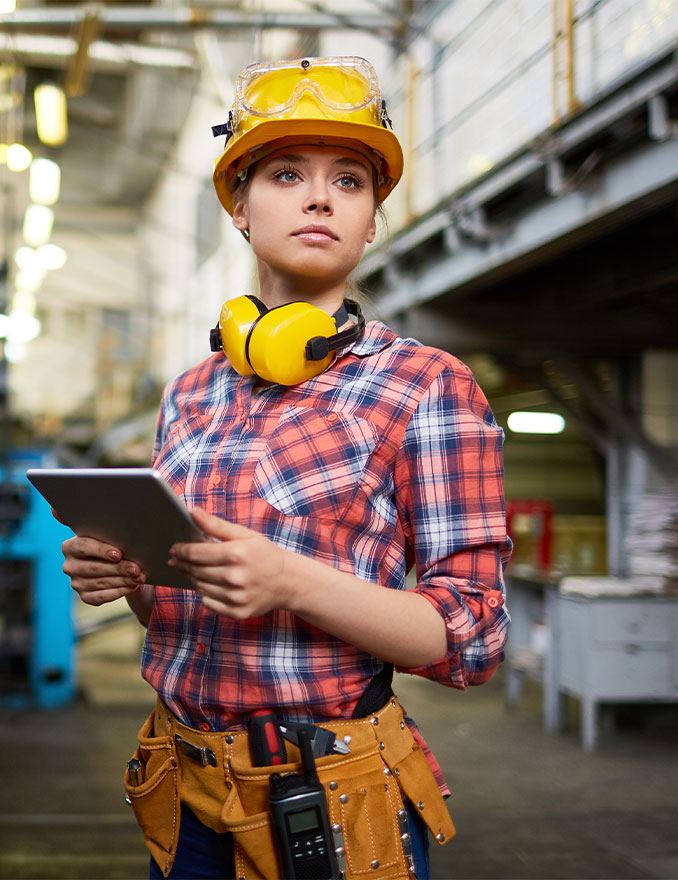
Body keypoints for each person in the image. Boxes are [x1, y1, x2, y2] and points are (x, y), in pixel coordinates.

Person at [61, 56, 511, 880]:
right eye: (285, 173)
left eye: (349, 179)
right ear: (238, 204)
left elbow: (475, 638)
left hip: (331, 801)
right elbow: (178, 612)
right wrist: (127, 574)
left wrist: (292, 582)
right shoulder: (192, 394)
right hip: (183, 785)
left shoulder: (424, 387)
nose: (319, 196)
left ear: (372, 218)